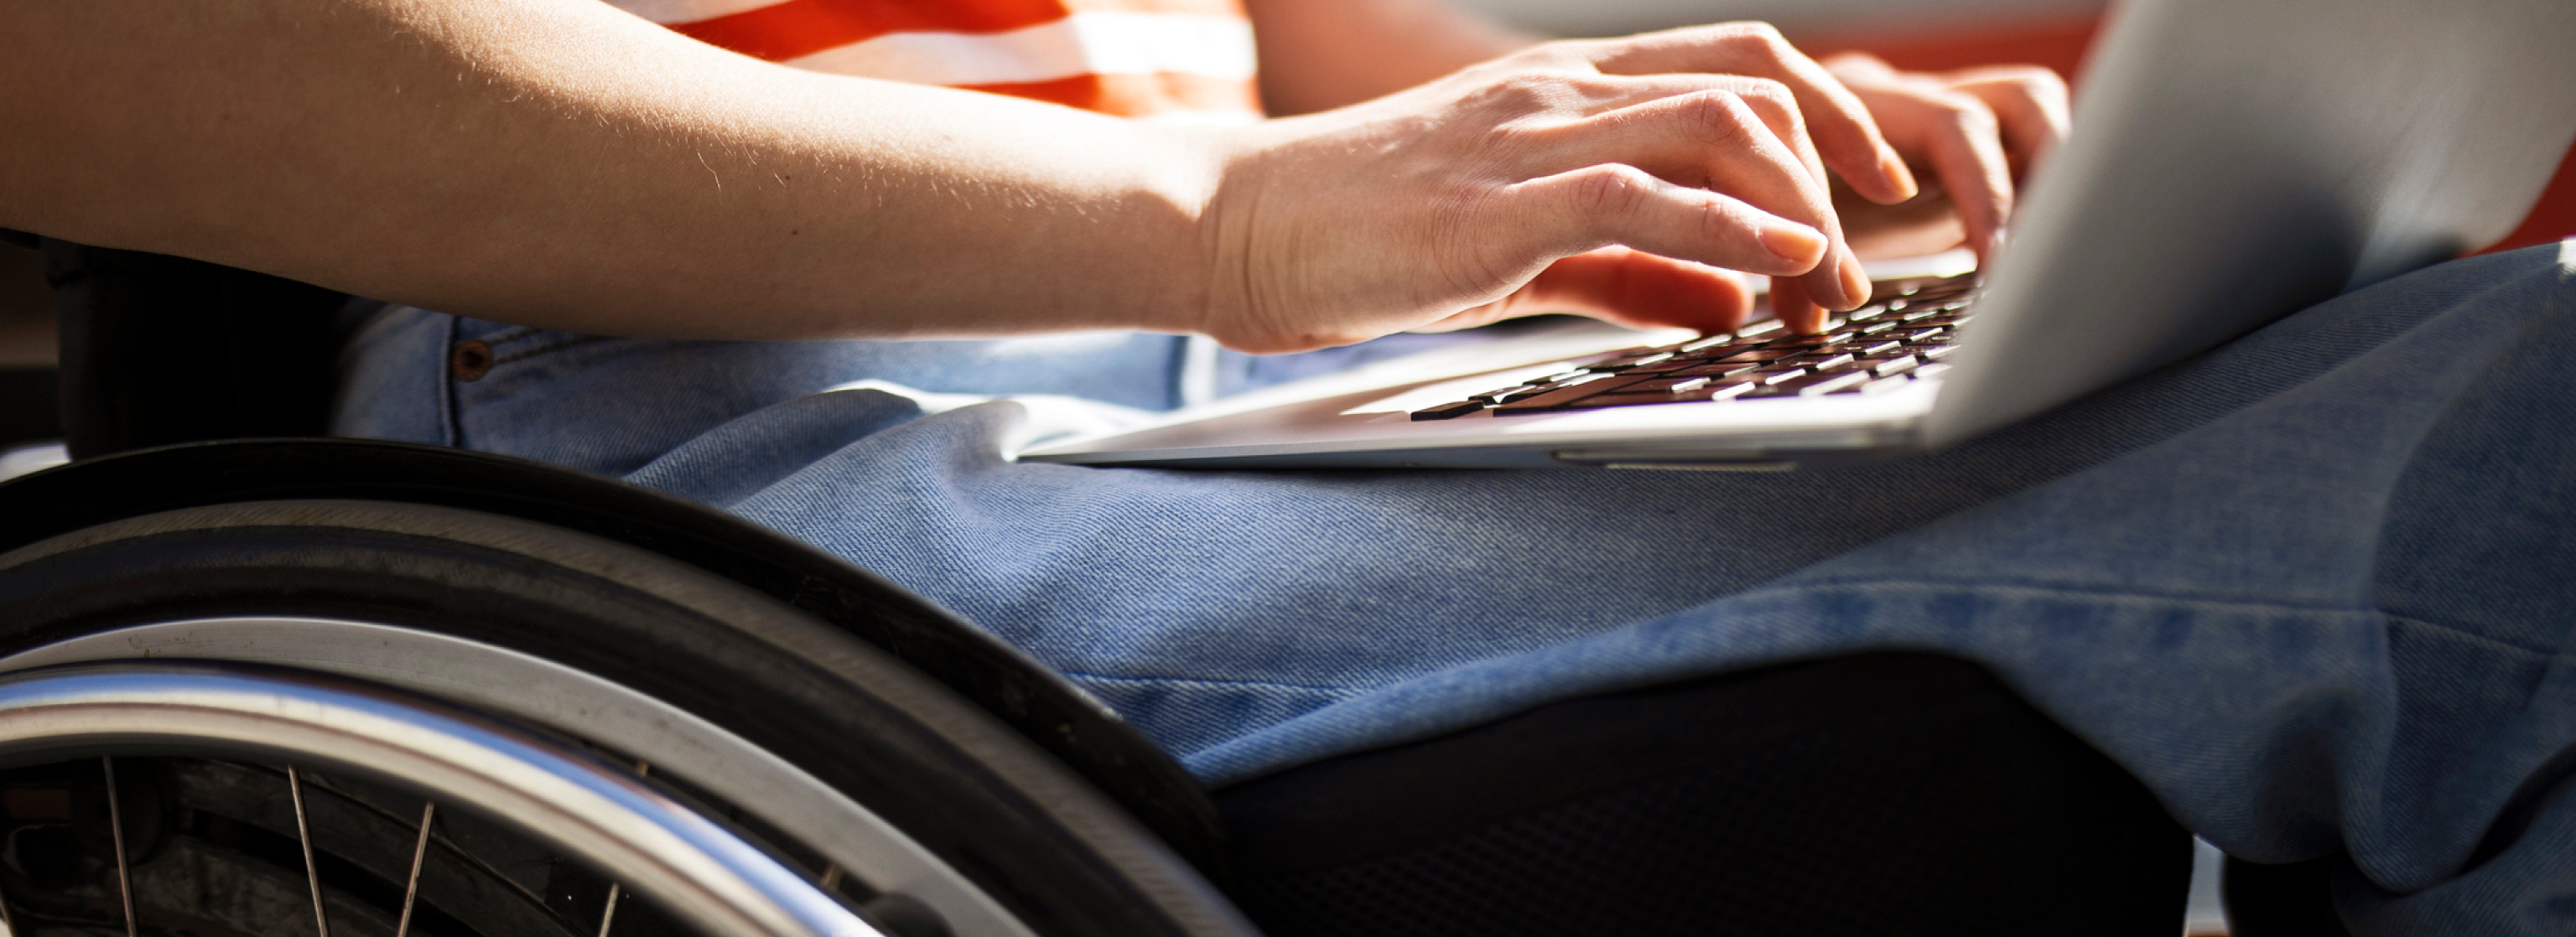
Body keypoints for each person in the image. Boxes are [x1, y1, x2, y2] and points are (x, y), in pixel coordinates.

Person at [7, 1, 2576, 933]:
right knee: (2507, 475)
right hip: (698, 446)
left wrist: (1649, 171)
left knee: (2425, 362)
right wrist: (1224, 223)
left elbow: (1267, 72)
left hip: (1203, 367)